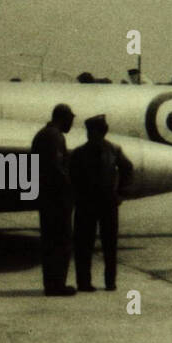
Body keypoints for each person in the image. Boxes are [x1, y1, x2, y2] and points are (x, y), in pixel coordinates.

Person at [70, 114, 133, 292]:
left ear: (102, 132)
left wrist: (121, 193)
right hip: (86, 203)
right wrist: (76, 195)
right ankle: (83, 282)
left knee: (110, 245)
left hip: (108, 203)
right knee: (83, 245)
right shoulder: (79, 153)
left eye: (94, 132)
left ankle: (110, 282)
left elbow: (127, 168)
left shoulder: (114, 150)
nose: (90, 135)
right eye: (89, 132)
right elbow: (71, 175)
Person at [30, 103, 77, 296]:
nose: (72, 123)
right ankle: (57, 285)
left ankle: (51, 284)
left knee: (49, 242)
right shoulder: (54, 137)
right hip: (57, 199)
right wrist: (71, 190)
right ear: (63, 118)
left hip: (46, 197)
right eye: (70, 119)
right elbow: (57, 168)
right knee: (61, 241)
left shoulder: (43, 134)